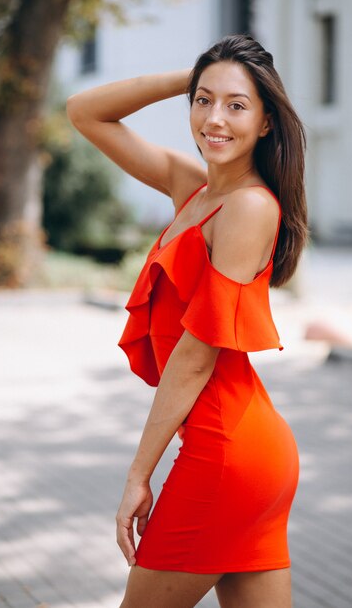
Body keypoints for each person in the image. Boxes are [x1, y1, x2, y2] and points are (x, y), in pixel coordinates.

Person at [67, 33, 308, 608]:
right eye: (203, 101)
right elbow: (85, 112)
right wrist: (199, 74)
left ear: (267, 122)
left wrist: (137, 475)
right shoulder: (193, 187)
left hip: (225, 454)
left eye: (237, 104)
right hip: (249, 456)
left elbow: (197, 355)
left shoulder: (249, 206)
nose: (215, 118)